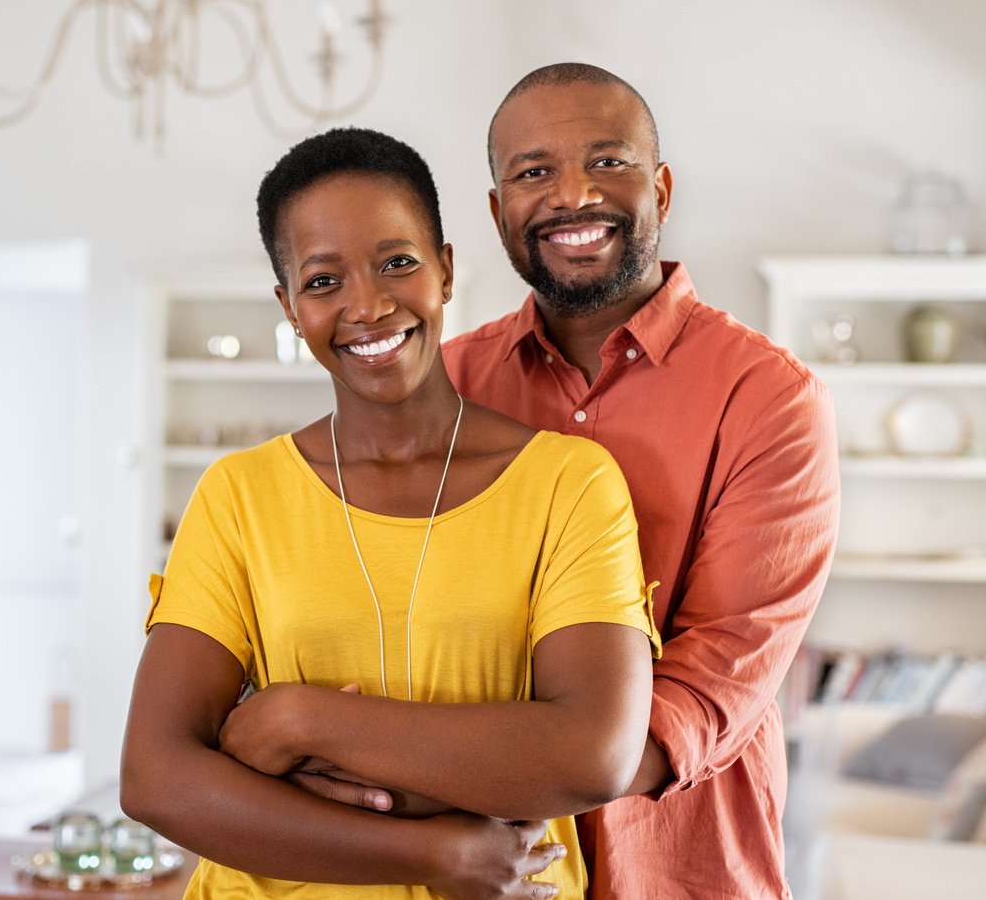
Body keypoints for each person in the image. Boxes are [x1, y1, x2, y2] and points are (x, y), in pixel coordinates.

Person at [120, 126, 662, 900]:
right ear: (289, 305)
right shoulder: (240, 494)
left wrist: (300, 720)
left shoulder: (568, 483)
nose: (367, 306)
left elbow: (591, 755)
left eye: (397, 263)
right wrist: (439, 853)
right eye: (322, 281)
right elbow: (155, 776)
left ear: (444, 267)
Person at [440, 63, 841, 898]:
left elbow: (712, 681)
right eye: (533, 172)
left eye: (609, 161)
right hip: (456, 868)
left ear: (660, 187)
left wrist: (433, 773)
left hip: (678, 866)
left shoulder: (769, 397)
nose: (573, 194)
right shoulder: (444, 387)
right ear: (496, 211)